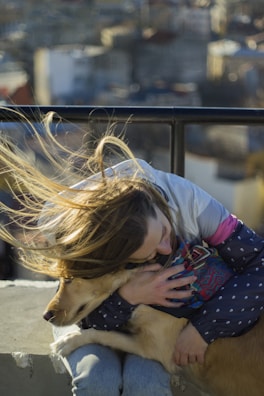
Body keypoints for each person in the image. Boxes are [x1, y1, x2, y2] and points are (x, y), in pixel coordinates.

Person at [1, 110, 264, 396]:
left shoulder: (194, 205)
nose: (166, 248)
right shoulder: (65, 229)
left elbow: (259, 266)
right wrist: (129, 297)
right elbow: (80, 314)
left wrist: (203, 330)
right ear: (114, 262)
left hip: (165, 325)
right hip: (92, 314)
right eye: (148, 253)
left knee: (145, 384)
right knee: (96, 379)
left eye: (164, 233)